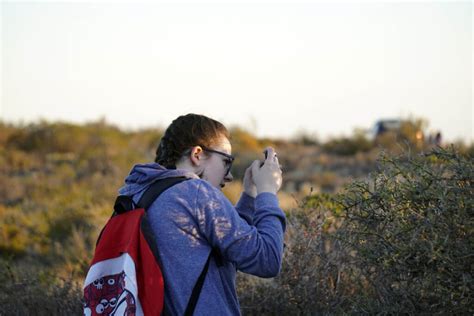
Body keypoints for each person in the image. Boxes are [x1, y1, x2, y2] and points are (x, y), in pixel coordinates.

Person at [118, 113, 286, 315]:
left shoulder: (140, 193)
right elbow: (267, 259)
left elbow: (227, 251)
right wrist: (268, 191)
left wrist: (250, 195)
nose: (230, 176)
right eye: (226, 162)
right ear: (197, 154)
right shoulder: (196, 193)